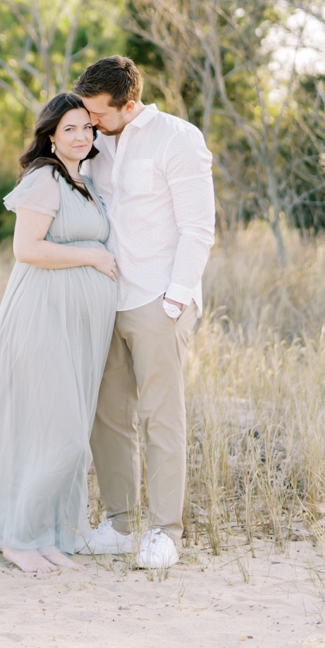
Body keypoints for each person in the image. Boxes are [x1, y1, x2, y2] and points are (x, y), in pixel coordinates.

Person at [0, 92, 119, 574]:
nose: (81, 136)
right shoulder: (45, 179)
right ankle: (19, 538)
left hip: (78, 327)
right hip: (42, 317)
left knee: (59, 432)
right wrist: (92, 256)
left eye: (87, 128)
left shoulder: (84, 183)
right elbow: (27, 249)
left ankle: (47, 535)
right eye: (70, 129)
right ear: (50, 136)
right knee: (61, 434)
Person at [73, 56, 216, 571]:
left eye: (96, 113)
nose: (89, 121)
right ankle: (119, 524)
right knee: (106, 417)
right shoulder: (93, 143)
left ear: (129, 105)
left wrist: (175, 300)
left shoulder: (178, 138)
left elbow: (198, 226)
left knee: (161, 416)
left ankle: (165, 531)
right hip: (105, 299)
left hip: (157, 299)